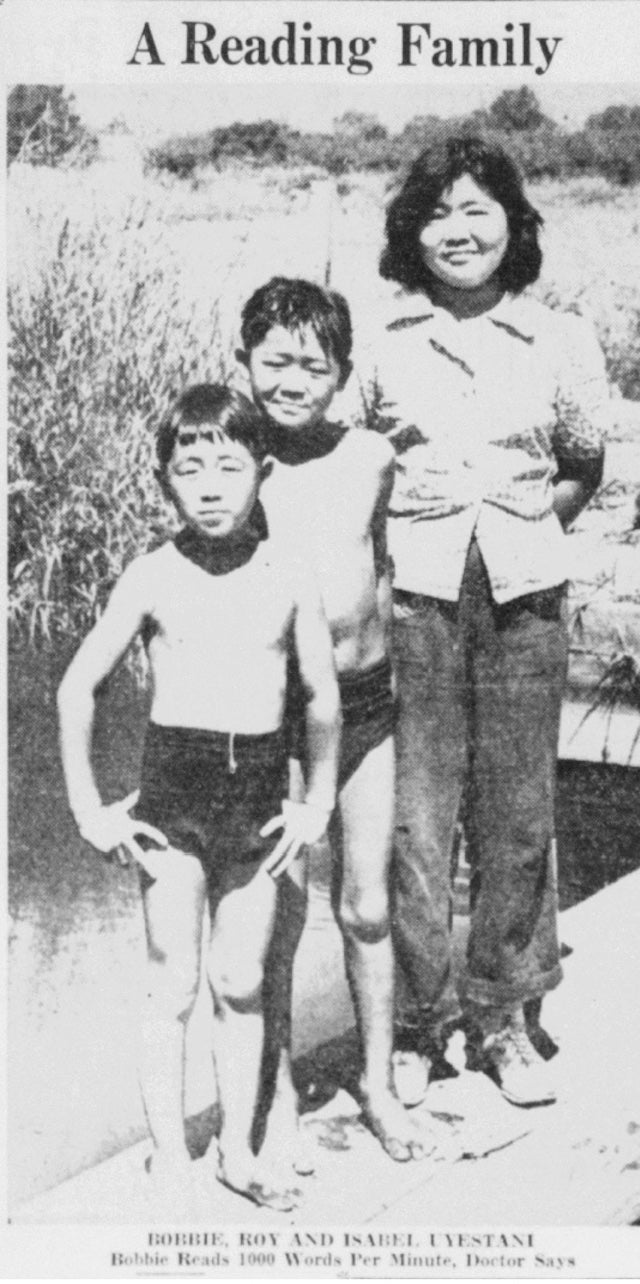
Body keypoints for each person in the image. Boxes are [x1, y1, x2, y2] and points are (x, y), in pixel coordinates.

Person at [358, 135, 609, 1107]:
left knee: (517, 818)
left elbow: (584, 465)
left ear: (515, 222)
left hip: (525, 607)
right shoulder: (381, 346)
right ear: (409, 234)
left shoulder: (563, 340)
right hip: (414, 605)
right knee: (418, 824)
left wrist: (524, 541)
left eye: (478, 209)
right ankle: (424, 1024)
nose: (457, 230)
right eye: (436, 213)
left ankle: (504, 1017)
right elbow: (354, 472)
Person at [57, 384, 341, 1212]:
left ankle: (238, 1150)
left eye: (230, 465)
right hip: (171, 804)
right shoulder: (150, 575)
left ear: (263, 471)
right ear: (165, 481)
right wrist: (87, 808)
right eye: (191, 469)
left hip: (257, 801)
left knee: (241, 981)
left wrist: (316, 802)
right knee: (171, 980)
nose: (211, 485)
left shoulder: (290, 574)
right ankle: (170, 1154)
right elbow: (78, 690)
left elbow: (321, 699)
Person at [237, 276, 435, 1161]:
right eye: (272, 361)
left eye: (313, 366)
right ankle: (275, 1097)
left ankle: (380, 1086)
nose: (292, 380)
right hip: (275, 718)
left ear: (344, 374)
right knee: (277, 913)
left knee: (366, 906)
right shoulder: (238, 464)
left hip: (365, 708)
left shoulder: (371, 459)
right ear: (240, 363)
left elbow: (380, 566)